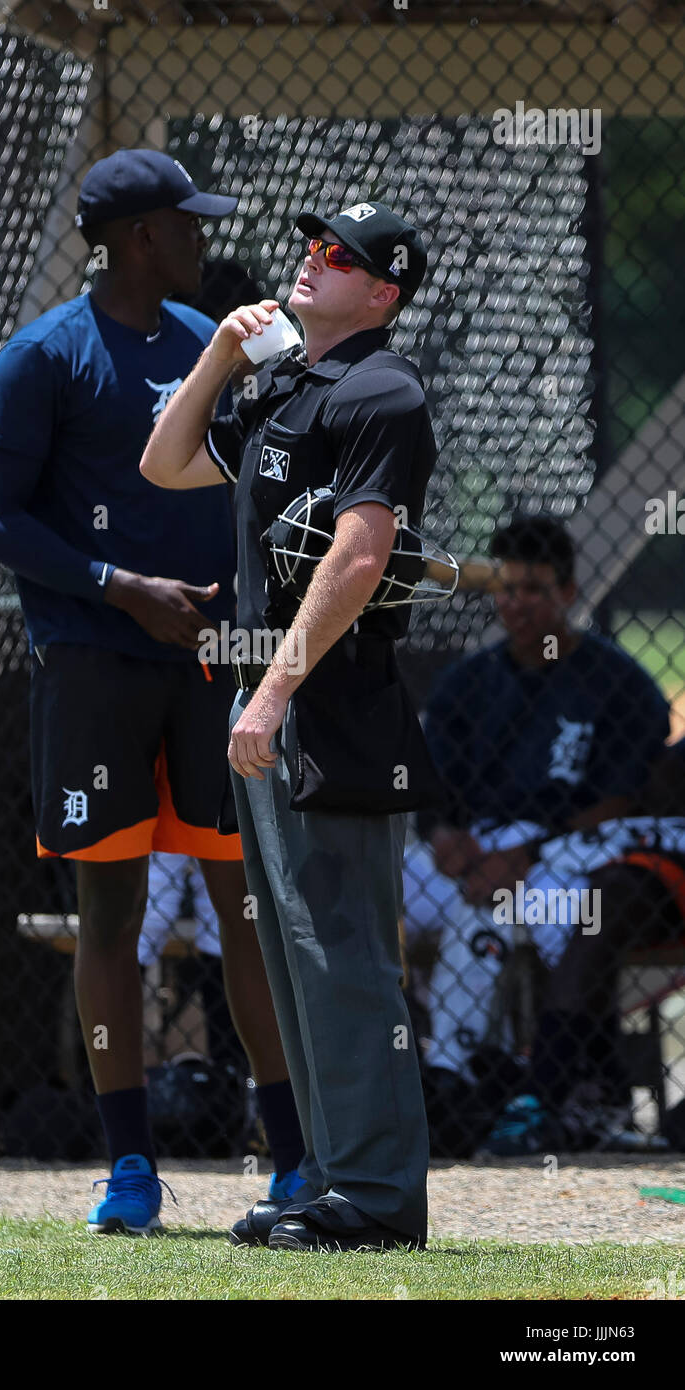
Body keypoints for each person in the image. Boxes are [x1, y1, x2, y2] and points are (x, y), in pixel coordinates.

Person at [0, 149, 305, 1235]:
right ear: (138, 238)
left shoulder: (217, 348)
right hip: (94, 666)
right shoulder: (42, 356)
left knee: (242, 915)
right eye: (187, 222)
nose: (205, 238)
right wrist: (120, 586)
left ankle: (293, 1158)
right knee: (107, 916)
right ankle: (128, 1169)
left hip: (211, 669)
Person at [141, 199, 437, 1252]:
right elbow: (163, 463)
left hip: (332, 709)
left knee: (343, 957)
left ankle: (375, 1198)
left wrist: (268, 691)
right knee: (294, 954)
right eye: (312, 247)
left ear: (382, 292)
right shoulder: (284, 386)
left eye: (340, 258)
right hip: (271, 708)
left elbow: (358, 557)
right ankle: (327, 1177)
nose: (312, 263)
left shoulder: (382, 389)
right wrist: (221, 354)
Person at [402, 515, 671, 1151]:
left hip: (560, 853)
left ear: (569, 594)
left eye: (534, 590)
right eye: (506, 589)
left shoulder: (615, 680)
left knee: (558, 919)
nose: (516, 604)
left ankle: (552, 1084)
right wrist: (443, 836)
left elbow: (623, 799)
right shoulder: (470, 679)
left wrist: (528, 850)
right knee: (368, 897)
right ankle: (407, 1065)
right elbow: (431, 782)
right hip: (464, 852)